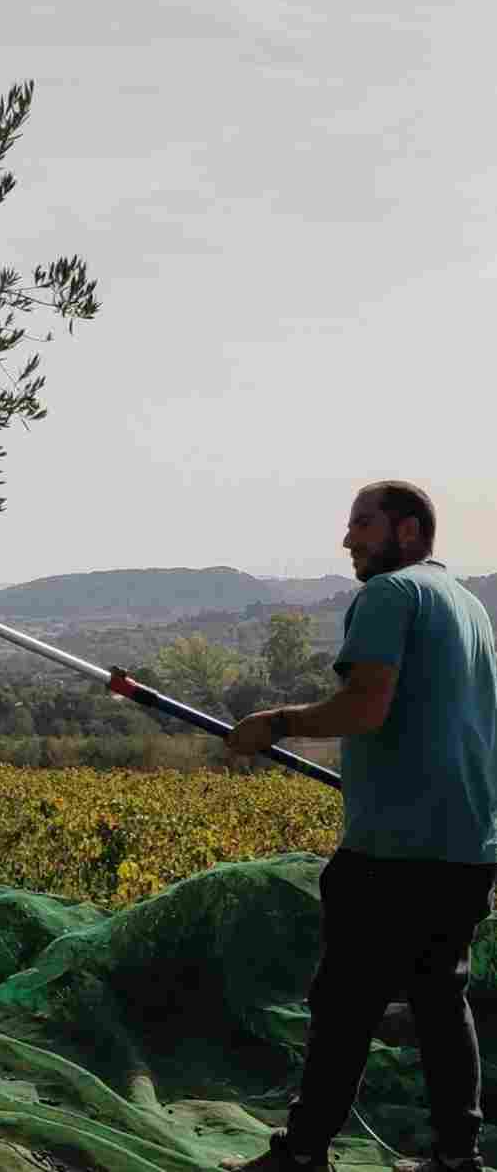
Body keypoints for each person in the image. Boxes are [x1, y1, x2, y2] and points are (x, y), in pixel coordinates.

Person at [220, 481, 497, 1172]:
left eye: (361, 525)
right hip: (466, 844)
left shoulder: (389, 595)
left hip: (393, 850)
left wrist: (276, 724)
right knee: (440, 997)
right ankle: (457, 1158)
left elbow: (365, 706)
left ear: (405, 532)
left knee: (345, 1002)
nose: (347, 540)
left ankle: (305, 1153)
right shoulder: (470, 607)